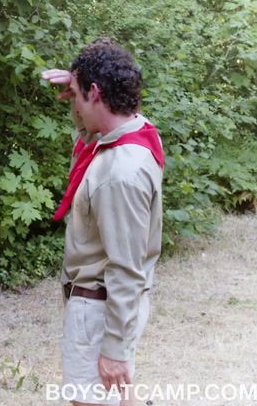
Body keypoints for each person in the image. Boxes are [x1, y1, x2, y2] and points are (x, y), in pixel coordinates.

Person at [41, 39, 164, 406]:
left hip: (100, 309)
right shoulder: (136, 133)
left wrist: (113, 347)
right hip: (112, 308)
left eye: (78, 95)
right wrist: (80, 96)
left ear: (96, 93)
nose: (73, 102)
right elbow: (91, 136)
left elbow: (126, 267)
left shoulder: (118, 173)